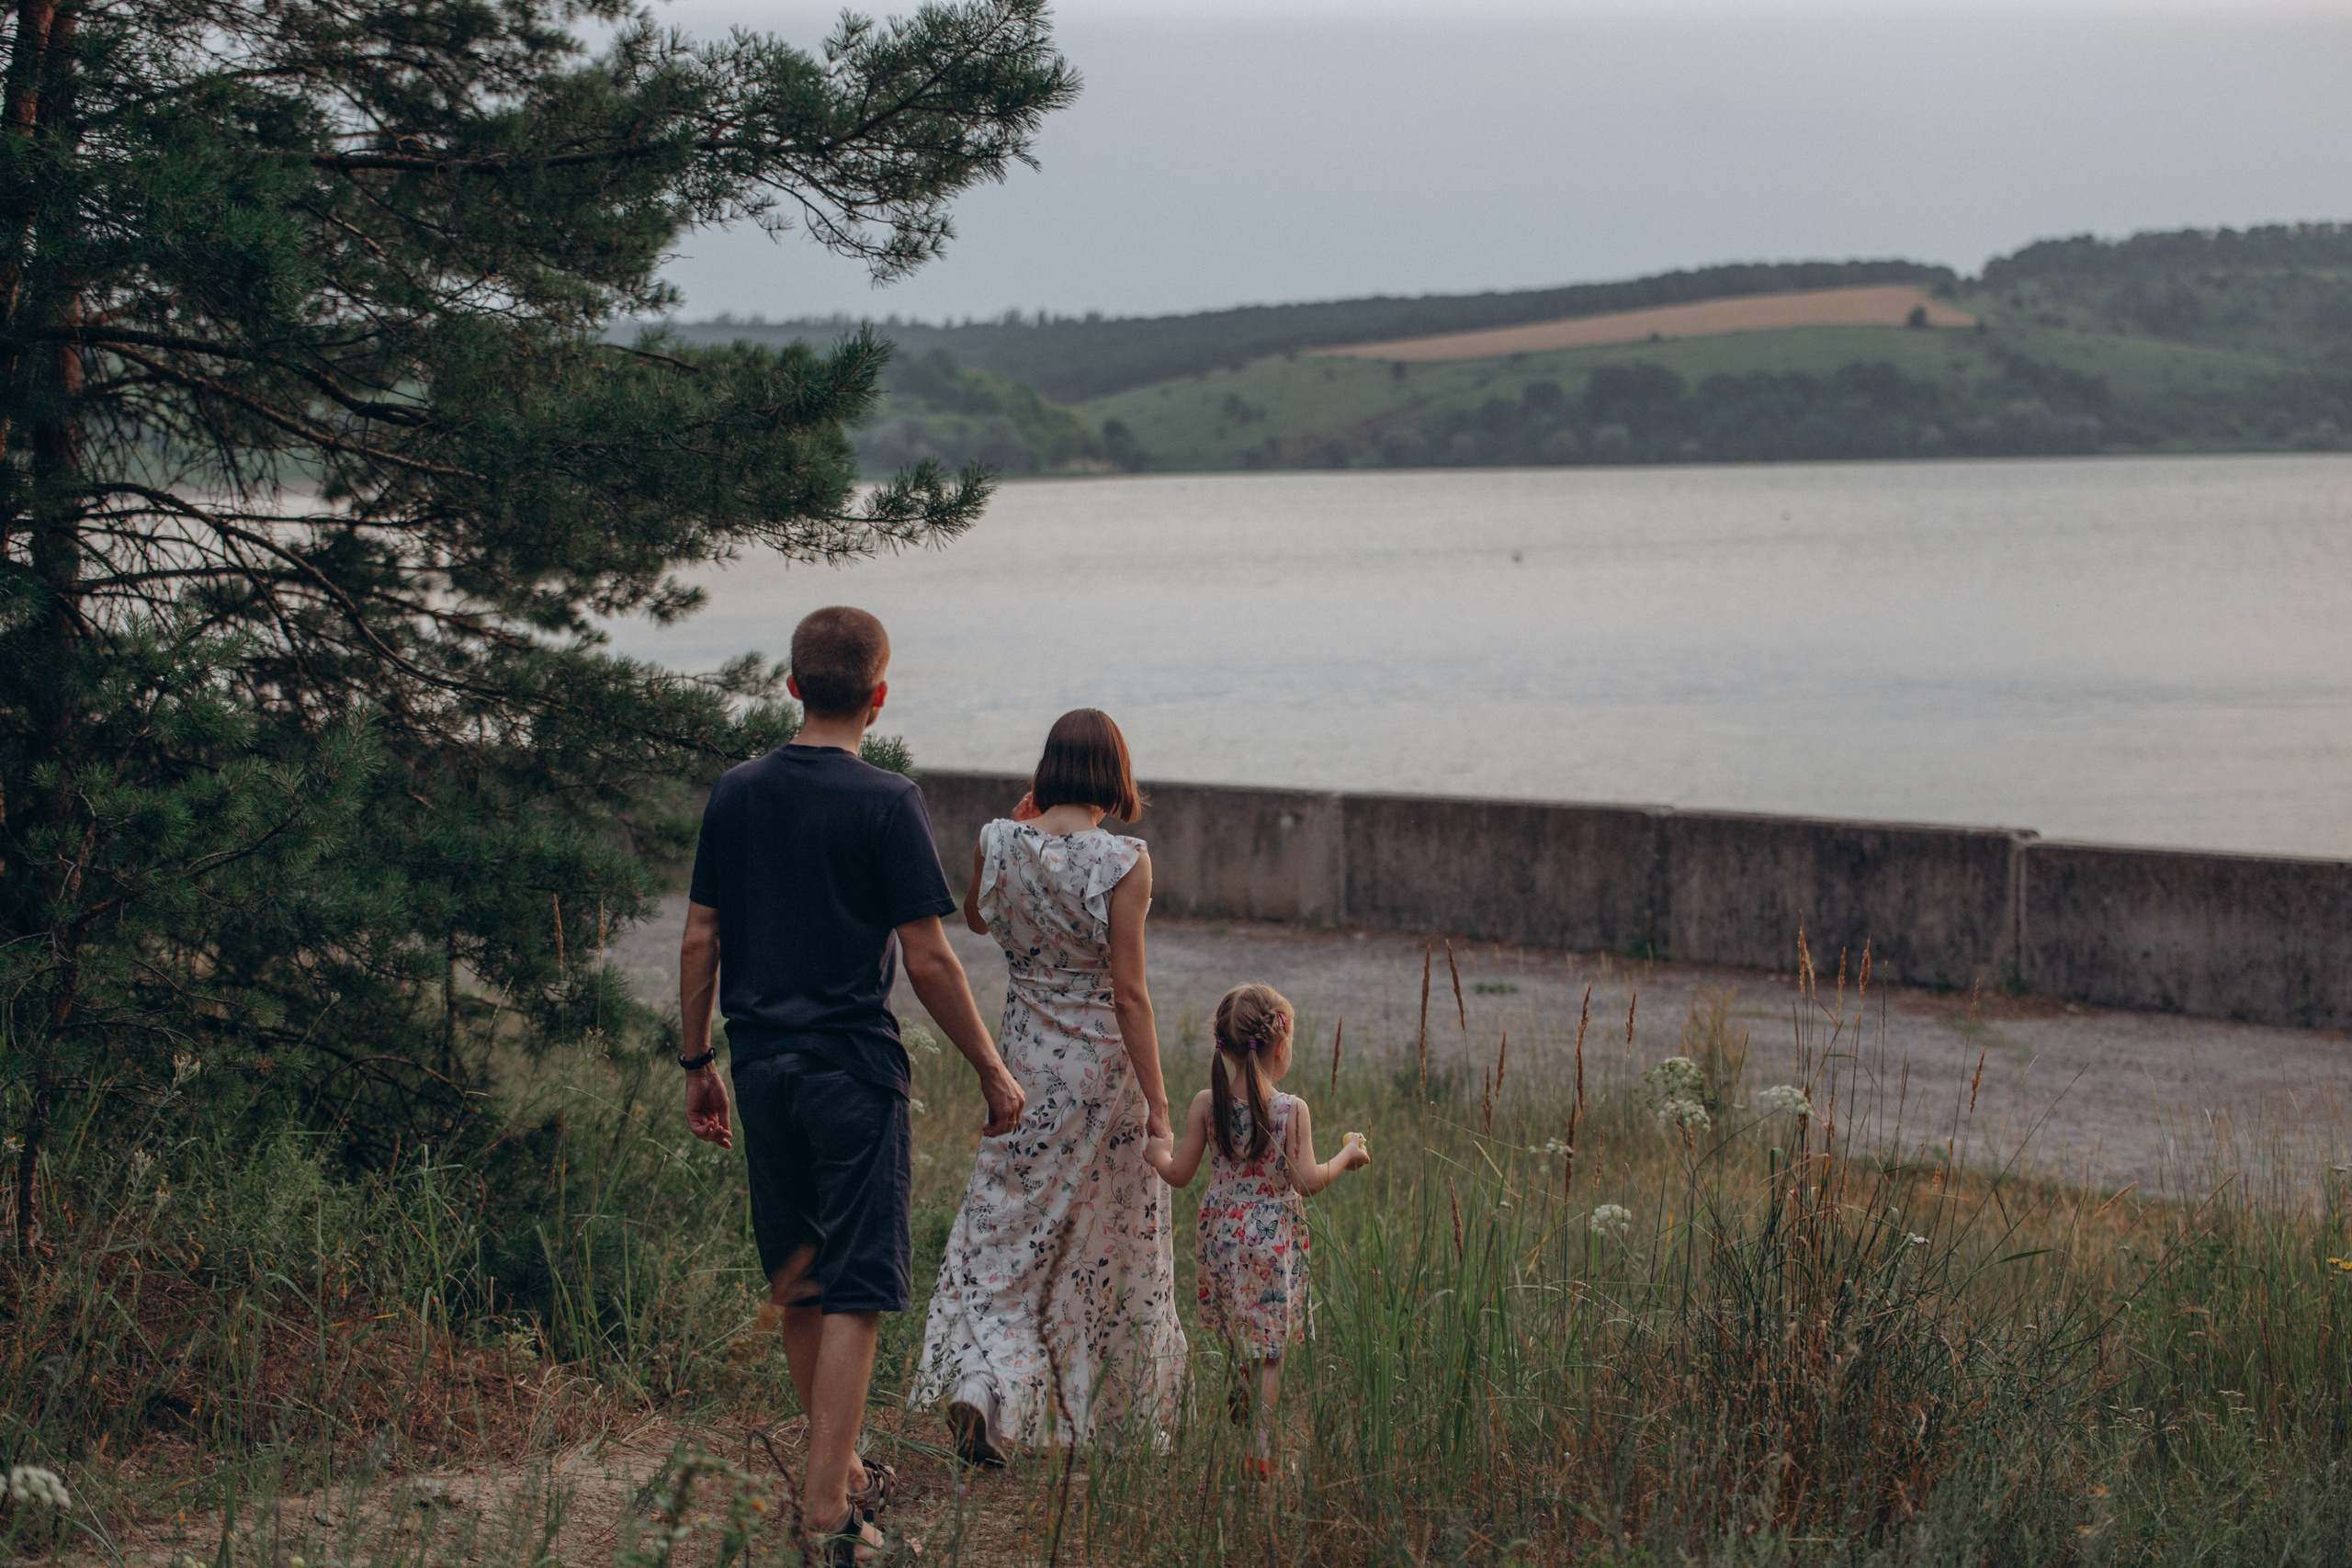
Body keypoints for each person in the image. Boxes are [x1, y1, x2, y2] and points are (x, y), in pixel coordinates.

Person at [679, 605, 1024, 1567]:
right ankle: (828, 1508)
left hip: (758, 1067)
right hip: (852, 1070)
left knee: (800, 1279)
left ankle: (847, 1470)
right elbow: (929, 957)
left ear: (791, 687)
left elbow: (700, 935)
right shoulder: (886, 800)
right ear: (878, 695)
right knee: (857, 1289)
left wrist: (697, 1063)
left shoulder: (736, 792)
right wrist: (993, 1070)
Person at [910, 709, 1188, 1461]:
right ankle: (1103, 1411)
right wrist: (1160, 1102)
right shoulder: (1124, 860)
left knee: (1001, 1234)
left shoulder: (999, 839)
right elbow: (1129, 993)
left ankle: (981, 1382)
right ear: (1114, 773)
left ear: (1048, 768)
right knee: (1103, 1241)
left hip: (1022, 1068)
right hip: (1101, 1075)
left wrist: (1019, 822)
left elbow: (974, 918)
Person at [1143, 982, 1370, 1472]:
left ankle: (1239, 1387)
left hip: (1223, 1235)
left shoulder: (1209, 1102)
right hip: (1272, 1238)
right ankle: (1259, 1455)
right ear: (1280, 1045)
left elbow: (1179, 1174)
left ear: (1222, 1046)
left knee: (1238, 1331)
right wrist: (1346, 1156)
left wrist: (1157, 1151)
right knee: (1270, 1347)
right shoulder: (1292, 1109)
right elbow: (1305, 1182)